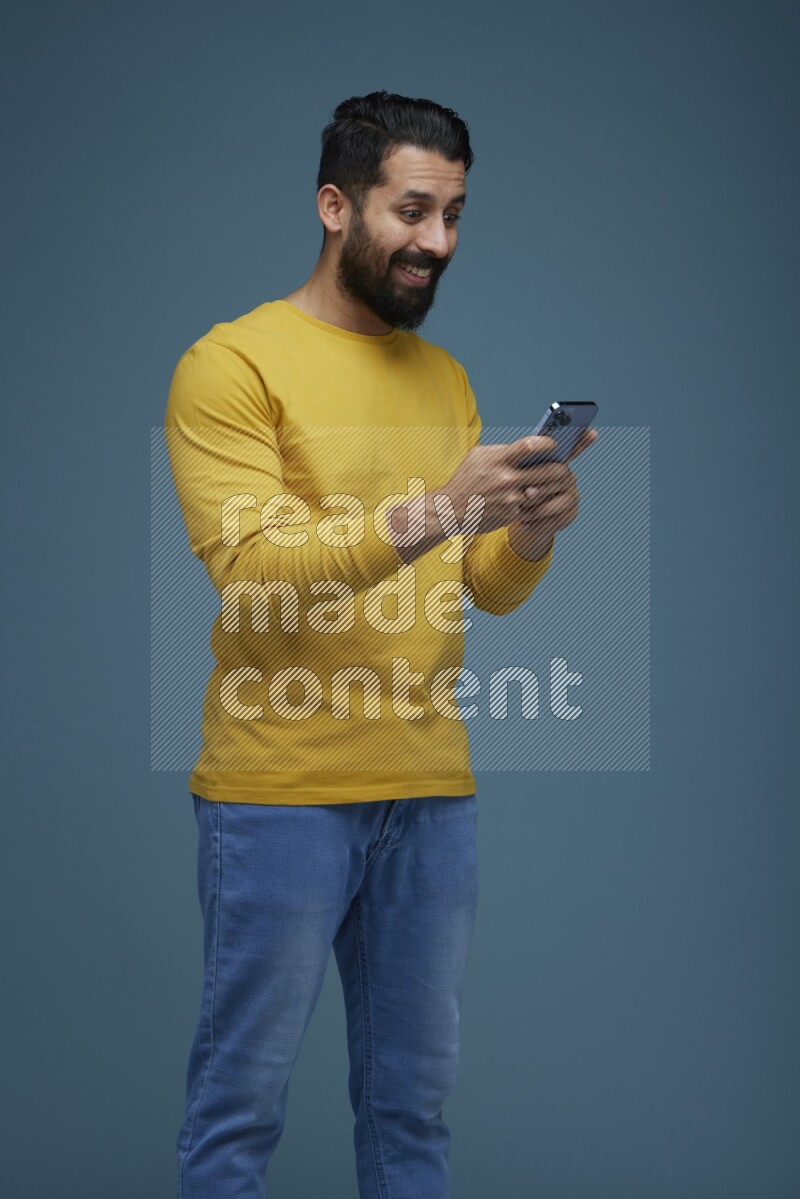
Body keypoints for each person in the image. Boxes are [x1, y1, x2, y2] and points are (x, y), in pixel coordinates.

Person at [165, 90, 595, 1199]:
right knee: (238, 1109)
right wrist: (442, 509)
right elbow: (254, 573)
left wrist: (529, 531)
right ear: (334, 205)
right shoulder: (231, 364)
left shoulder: (441, 377)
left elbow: (480, 589)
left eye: (452, 215)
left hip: (428, 795)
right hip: (279, 792)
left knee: (412, 1113)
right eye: (412, 211)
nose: (436, 242)